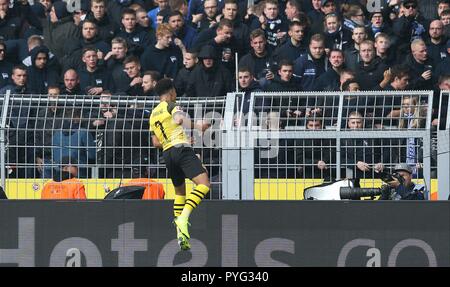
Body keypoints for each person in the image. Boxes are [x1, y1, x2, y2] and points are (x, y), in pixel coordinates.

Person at [149, 78, 210, 251]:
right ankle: (184, 217)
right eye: (175, 91)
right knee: (204, 184)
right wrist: (199, 126)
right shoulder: (170, 105)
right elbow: (180, 119)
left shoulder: (153, 114)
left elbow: (155, 142)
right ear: (170, 92)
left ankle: (180, 232)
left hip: (167, 153)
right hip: (181, 148)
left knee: (179, 192)